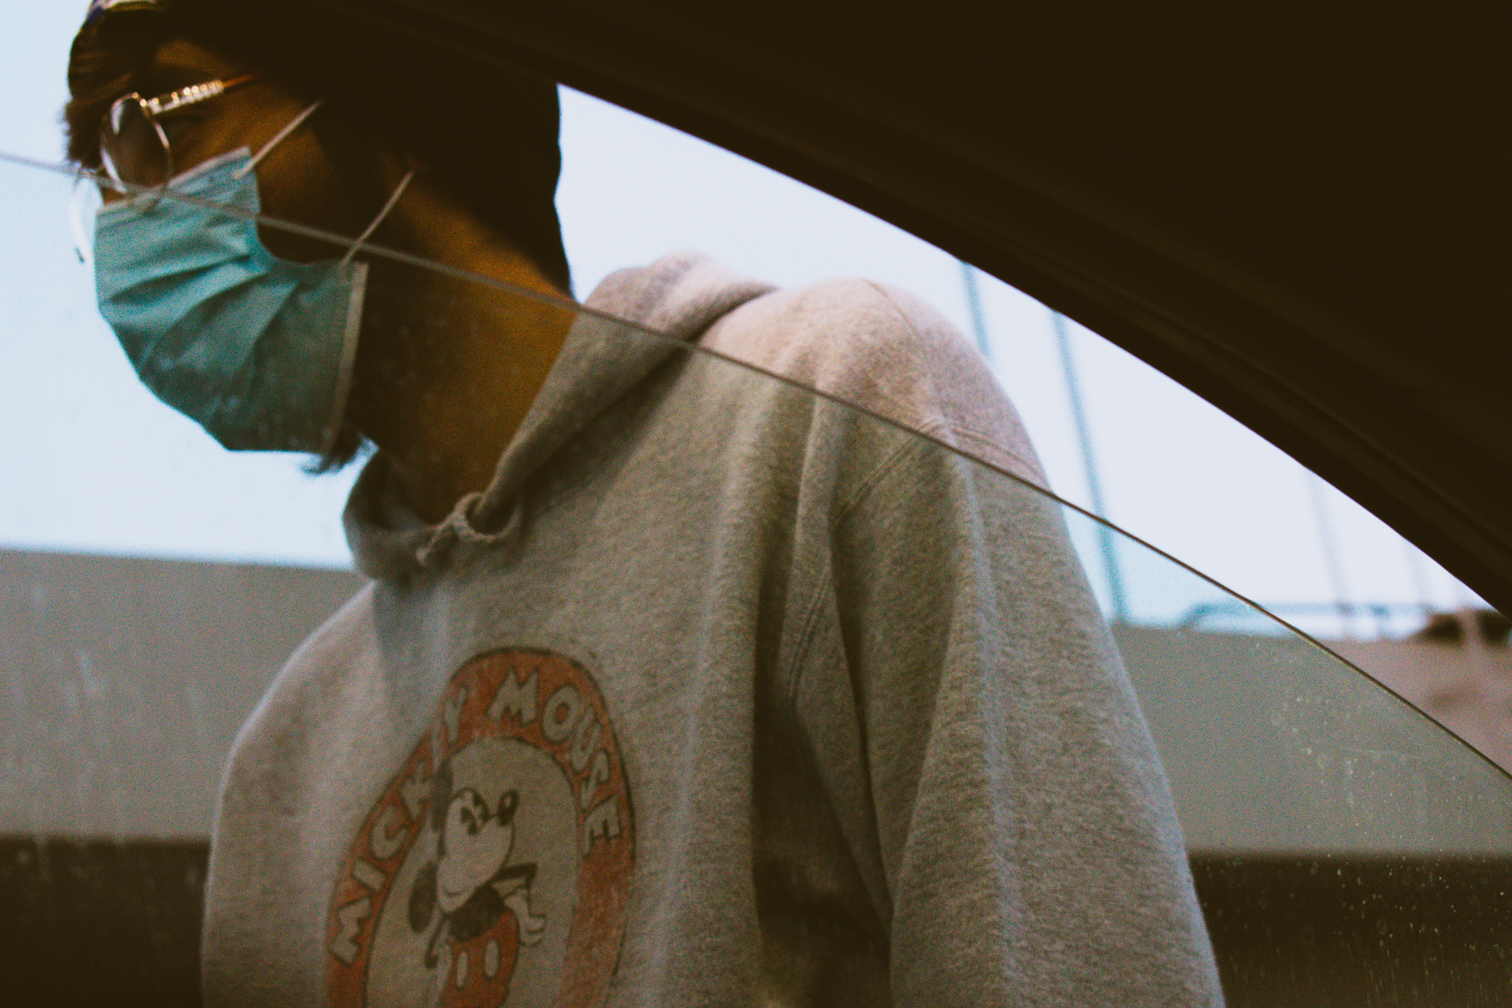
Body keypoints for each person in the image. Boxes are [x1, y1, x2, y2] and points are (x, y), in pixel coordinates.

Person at [67, 1, 1226, 1005]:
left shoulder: (834, 409)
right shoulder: (283, 768)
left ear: (383, 90)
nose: (127, 224)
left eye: (150, 126)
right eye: (98, 182)